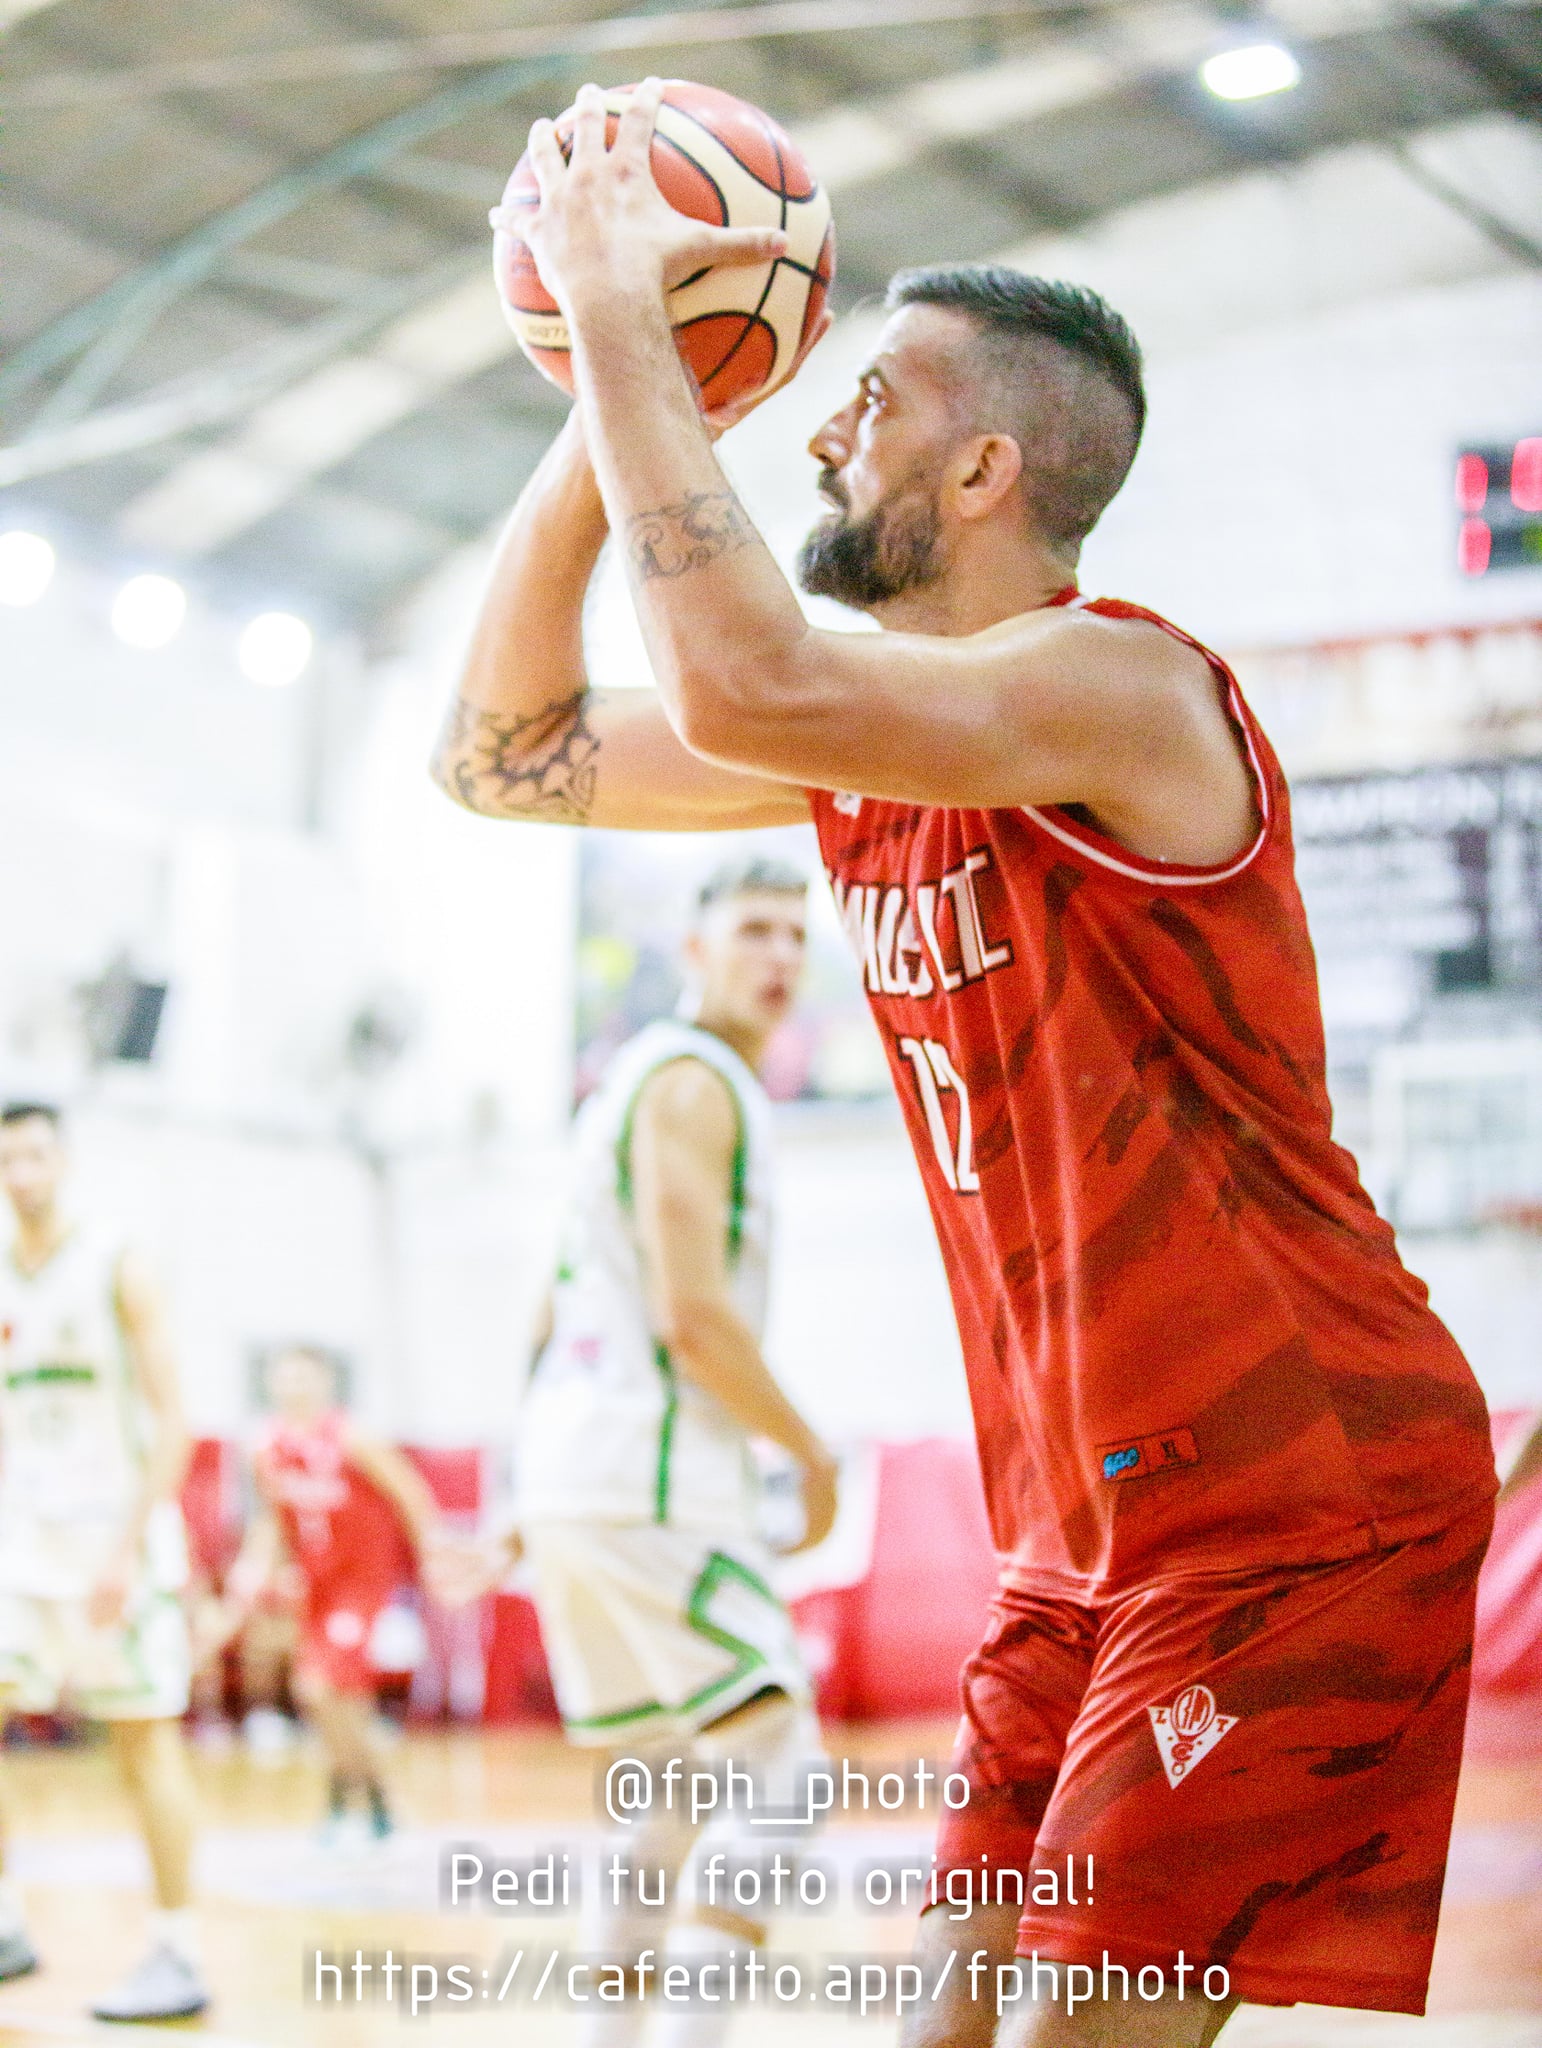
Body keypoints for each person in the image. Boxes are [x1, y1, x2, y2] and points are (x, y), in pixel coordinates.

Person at [431, 84, 1499, 2045]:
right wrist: (607, 411)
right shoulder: (866, 738)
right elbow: (502, 756)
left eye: (882, 401)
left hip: (1294, 1497)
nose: (828, 419)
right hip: (1072, 1533)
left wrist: (619, 318)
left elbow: (749, 670)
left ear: (989, 467)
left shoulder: (1125, 686)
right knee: (940, 2021)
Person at [441, 856, 836, 2048]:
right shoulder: (696, 1083)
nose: (778, 954)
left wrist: (524, 1491)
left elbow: (551, 1315)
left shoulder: (618, 1085)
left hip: (577, 1475)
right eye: (752, 929)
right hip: (654, 1474)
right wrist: (811, 1456)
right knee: (785, 1770)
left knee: (665, 1783)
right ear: (694, 948)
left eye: (793, 934)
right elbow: (692, 1318)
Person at [0, 1101, 208, 2022]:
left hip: (111, 1548)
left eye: (36, 1152)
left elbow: (177, 1417)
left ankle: (179, 1948)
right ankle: (5, 1921)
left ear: (64, 1161)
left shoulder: (117, 1263)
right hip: (21, 1544)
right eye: (8, 1157)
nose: (22, 1169)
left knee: (143, 1745)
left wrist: (129, 1546)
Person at [208, 1343, 445, 1845]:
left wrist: (436, 1561)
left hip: (361, 1586)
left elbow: (412, 1497)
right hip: (314, 1586)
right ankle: (372, 1801)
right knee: (322, 1698)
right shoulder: (266, 1447)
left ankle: (348, 1799)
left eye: (305, 1378)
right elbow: (271, 1521)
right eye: (285, 1377)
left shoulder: (355, 1438)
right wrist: (252, 1573)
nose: (295, 1388)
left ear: (326, 1384)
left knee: (325, 1688)